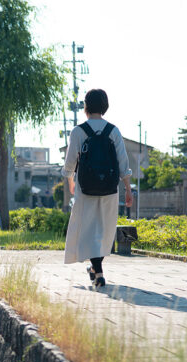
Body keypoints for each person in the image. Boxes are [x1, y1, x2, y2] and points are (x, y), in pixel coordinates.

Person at [62, 89, 133, 287]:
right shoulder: (113, 131)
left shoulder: (78, 131)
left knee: (88, 230)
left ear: (86, 107)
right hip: (110, 188)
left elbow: (69, 163)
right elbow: (123, 162)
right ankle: (96, 269)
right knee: (104, 230)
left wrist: (70, 182)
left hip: (86, 188)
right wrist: (127, 188)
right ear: (105, 106)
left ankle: (98, 271)